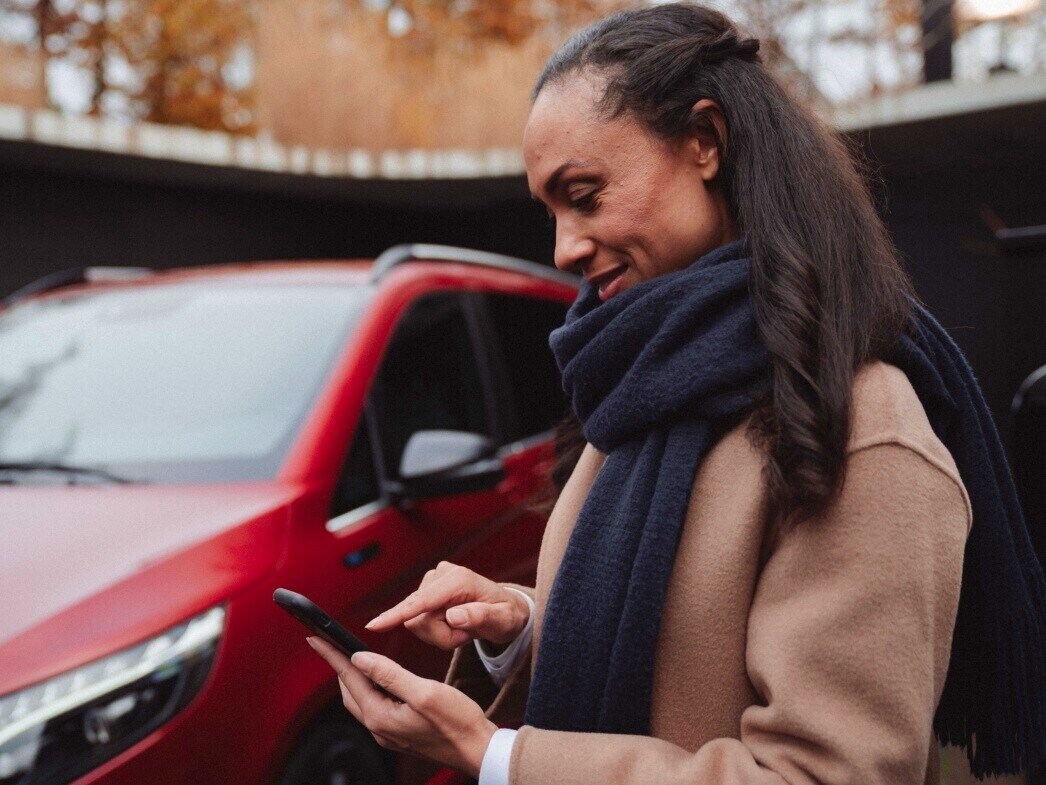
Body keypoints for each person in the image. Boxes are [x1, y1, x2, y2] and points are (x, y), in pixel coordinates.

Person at [307, 5, 1046, 784]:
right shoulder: (634, 388)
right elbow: (673, 652)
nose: (564, 247)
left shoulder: (859, 423)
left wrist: (496, 754)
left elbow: (825, 773)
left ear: (706, 142)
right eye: (550, 210)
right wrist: (518, 628)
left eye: (585, 195)